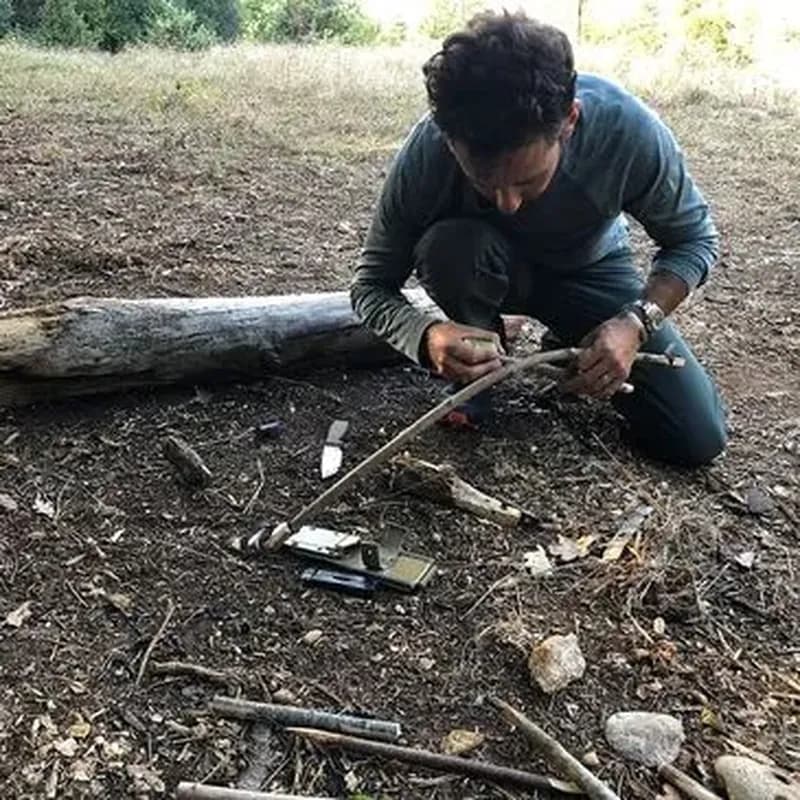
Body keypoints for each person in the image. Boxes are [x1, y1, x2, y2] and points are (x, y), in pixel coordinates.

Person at [350, 10, 727, 467]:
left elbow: (694, 240)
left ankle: (566, 337)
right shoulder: (428, 152)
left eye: (528, 181)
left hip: (589, 269)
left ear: (569, 120)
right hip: (479, 263)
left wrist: (635, 323)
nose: (507, 204)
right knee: (450, 246)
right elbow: (370, 287)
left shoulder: (625, 130)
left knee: (696, 436)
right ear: (450, 142)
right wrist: (427, 336)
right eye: (484, 182)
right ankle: (478, 370)